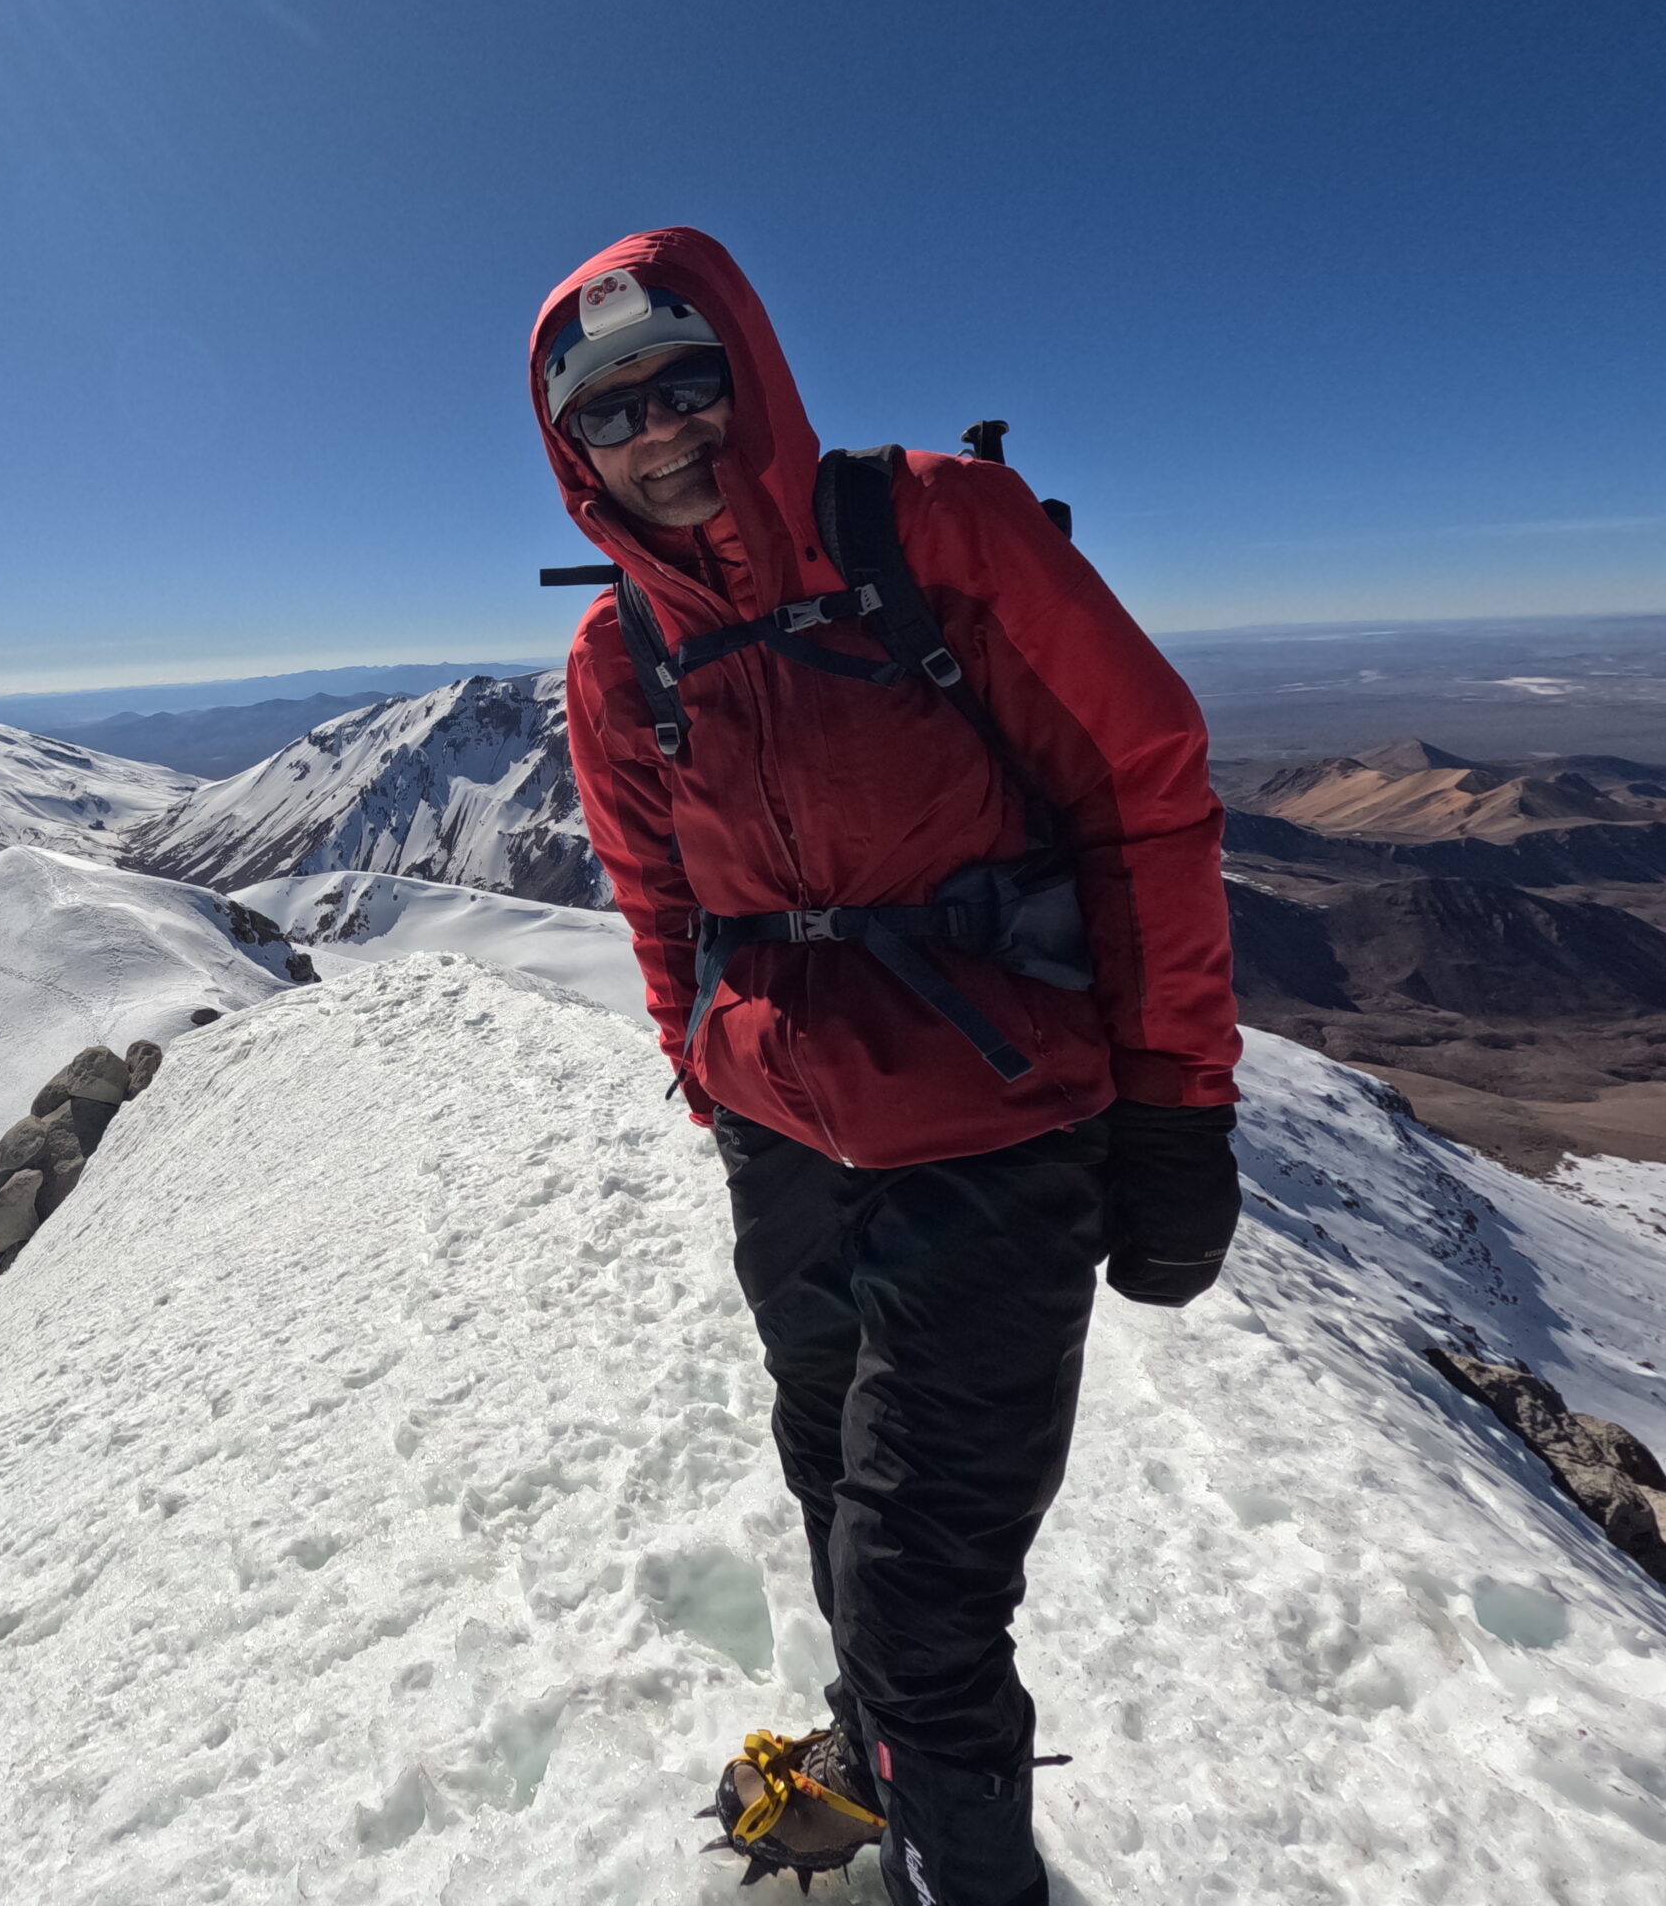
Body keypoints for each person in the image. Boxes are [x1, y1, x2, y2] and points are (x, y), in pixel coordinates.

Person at [529, 228, 1242, 1906]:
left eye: (687, 382)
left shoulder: (935, 528)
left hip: (996, 1136)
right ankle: (876, 1766)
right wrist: (708, 1075)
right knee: (831, 1478)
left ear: (750, 377)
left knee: (924, 1591)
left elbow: (1144, 796)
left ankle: (965, 1866)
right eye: (610, 412)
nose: (661, 433)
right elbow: (658, 894)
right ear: (573, 452)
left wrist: (1178, 1113)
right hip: (787, 1144)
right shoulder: (616, 656)